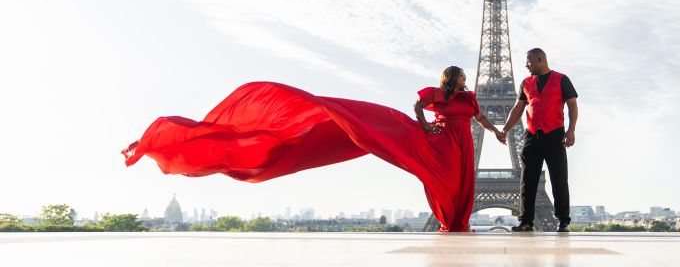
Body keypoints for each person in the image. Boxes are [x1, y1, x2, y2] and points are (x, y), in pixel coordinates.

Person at [122, 66, 502, 232]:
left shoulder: (467, 98)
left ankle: (457, 222)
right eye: (457, 76)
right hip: (441, 140)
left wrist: (498, 132)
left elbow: (480, 118)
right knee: (443, 179)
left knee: (460, 181)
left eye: (460, 77)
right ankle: (451, 221)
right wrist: (425, 126)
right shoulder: (436, 95)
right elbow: (418, 108)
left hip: (461, 143)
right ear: (450, 78)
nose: (460, 79)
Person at [496, 47, 578, 232]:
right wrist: (506, 129)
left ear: (540, 59)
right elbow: (518, 108)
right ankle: (526, 221)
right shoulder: (526, 83)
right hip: (532, 135)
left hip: (554, 134)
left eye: (529, 61)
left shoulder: (562, 79)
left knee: (559, 179)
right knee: (527, 180)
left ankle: (563, 220)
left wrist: (571, 131)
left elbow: (572, 106)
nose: (526, 65)